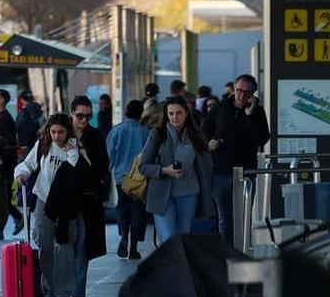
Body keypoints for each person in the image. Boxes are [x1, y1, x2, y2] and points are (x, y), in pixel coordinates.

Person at [15, 113, 92, 297]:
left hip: (67, 205)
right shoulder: (44, 145)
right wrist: (20, 175)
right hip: (44, 199)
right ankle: (48, 293)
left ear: (68, 131)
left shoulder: (76, 148)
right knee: (45, 247)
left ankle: (63, 294)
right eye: (53, 132)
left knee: (65, 248)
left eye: (61, 132)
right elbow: (28, 164)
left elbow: (85, 173)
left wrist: (73, 154)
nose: (57, 136)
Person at [207, 73, 270, 247]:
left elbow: (261, 140)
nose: (241, 95)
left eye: (246, 92)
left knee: (243, 215)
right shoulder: (221, 107)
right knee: (225, 217)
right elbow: (203, 129)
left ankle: (241, 250)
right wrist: (209, 142)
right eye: (238, 90)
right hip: (221, 171)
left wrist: (250, 115)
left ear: (253, 95)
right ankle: (227, 253)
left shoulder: (257, 112)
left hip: (246, 171)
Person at [139, 96, 209, 242]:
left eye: (178, 113)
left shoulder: (195, 135)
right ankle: (172, 263)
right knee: (168, 238)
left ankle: (179, 264)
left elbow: (204, 170)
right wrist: (164, 170)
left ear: (186, 113)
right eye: (171, 114)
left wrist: (205, 204)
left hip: (188, 193)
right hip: (162, 194)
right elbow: (143, 166)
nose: (174, 117)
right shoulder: (158, 134)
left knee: (183, 236)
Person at [68, 95, 111, 297]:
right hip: (64, 199)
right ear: (72, 114)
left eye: (88, 116)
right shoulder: (61, 132)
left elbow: (104, 166)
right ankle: (60, 290)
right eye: (80, 116)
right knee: (63, 243)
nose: (84, 120)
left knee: (82, 245)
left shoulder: (95, 137)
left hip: (87, 198)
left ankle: (77, 292)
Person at [107, 98, 152, 259]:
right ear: (140, 113)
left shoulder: (116, 131)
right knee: (138, 211)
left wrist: (105, 175)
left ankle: (123, 235)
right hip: (140, 179)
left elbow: (109, 157)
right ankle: (133, 247)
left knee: (122, 207)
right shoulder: (145, 132)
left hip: (122, 178)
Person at [0, 88, 21, 237]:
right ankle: (3, 225)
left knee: (1, 195)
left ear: (2, 100)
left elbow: (10, 143)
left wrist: (2, 159)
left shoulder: (4, 118)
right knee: (0, 195)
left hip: (3, 165)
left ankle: (4, 225)